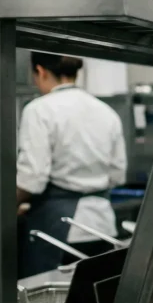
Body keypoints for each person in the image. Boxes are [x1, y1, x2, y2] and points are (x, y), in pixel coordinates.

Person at [16, 53, 126, 277]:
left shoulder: (38, 110)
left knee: (51, 301)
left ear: (40, 71)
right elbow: (117, 175)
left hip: (58, 229)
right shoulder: (107, 112)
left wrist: (7, 204)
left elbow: (32, 179)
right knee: (93, 299)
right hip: (101, 225)